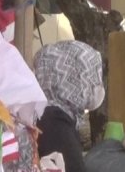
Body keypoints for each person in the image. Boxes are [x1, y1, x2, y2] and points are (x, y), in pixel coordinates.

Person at [34, 40, 106, 172]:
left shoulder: (42, 112)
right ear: (77, 78)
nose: (96, 85)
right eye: (92, 77)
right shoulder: (56, 124)